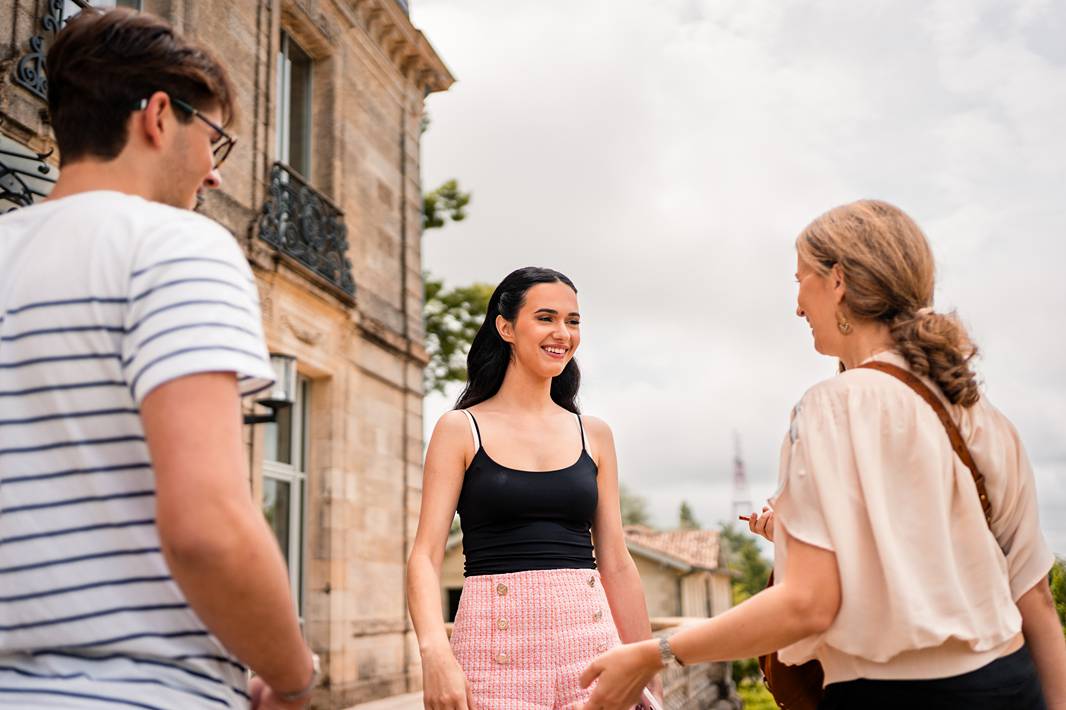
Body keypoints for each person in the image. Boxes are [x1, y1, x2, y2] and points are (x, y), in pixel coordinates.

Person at [579, 200, 1066, 710]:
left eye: (800, 279)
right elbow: (1034, 601)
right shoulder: (983, 415)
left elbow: (808, 605)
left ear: (837, 282)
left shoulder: (832, 407)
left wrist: (652, 653)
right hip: (1012, 684)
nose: (797, 305)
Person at [0, 8, 315, 709]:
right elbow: (208, 528)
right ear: (159, 115)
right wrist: (291, 676)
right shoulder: (177, 246)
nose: (215, 176)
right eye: (216, 142)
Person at [407, 267, 658, 709]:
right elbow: (425, 557)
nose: (562, 332)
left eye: (573, 321)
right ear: (505, 327)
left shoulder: (594, 434)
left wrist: (645, 668)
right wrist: (434, 653)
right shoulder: (460, 429)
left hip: (593, 653)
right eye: (546, 318)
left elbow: (616, 562)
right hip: (490, 659)